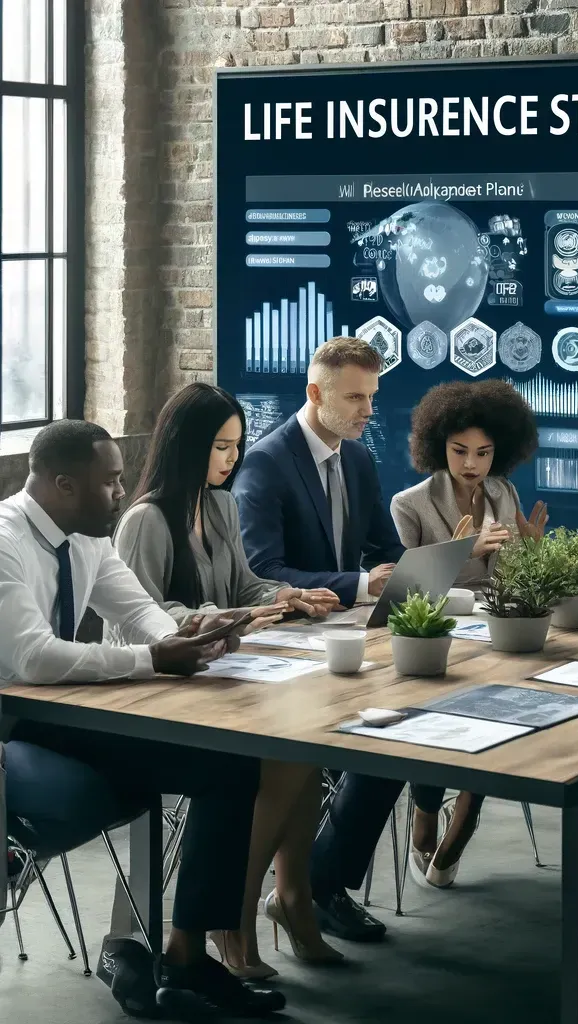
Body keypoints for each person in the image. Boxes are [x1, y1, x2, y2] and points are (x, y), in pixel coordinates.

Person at [0, 420, 284, 1018]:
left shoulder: (86, 536)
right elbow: (31, 657)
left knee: (230, 763)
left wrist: (192, 635)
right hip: (13, 720)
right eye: (110, 483)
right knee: (214, 762)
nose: (122, 495)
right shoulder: (5, 539)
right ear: (63, 484)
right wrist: (152, 659)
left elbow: (140, 612)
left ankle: (184, 961)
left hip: (66, 710)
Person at [112, 382, 344, 978]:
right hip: (161, 689)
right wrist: (208, 619)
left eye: (237, 446)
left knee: (307, 748)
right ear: (187, 446)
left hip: (222, 672)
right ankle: (234, 919)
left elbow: (243, 588)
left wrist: (288, 595)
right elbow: (136, 623)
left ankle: (287, 902)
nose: (232, 459)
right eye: (220, 446)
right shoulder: (146, 520)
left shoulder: (221, 505)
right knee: (286, 756)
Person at [233, 336, 404, 944]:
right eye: (354, 397)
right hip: (286, 652)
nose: (366, 410)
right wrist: (359, 583)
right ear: (315, 394)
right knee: (372, 748)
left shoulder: (357, 457)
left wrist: (415, 574)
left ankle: (319, 883)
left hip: (349, 640)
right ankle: (305, 892)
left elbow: (388, 549)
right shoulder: (265, 462)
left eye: (371, 397)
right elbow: (260, 571)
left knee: (400, 739)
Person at [390, 379, 548, 888]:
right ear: (439, 447)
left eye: (483, 452)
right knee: (442, 719)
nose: (472, 463)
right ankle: (425, 809)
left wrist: (530, 547)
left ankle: (460, 828)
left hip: (496, 633)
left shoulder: (504, 492)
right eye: (460, 451)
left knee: (496, 722)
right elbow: (407, 592)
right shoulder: (408, 505)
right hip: (440, 637)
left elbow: (515, 575)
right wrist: (464, 553)